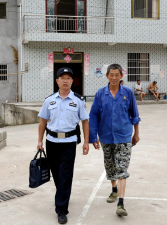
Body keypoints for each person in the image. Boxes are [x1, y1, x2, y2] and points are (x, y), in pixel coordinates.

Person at [37, 67, 90, 224]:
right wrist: (39, 141)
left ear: (72, 81)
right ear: (57, 81)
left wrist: (86, 141)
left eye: (68, 78)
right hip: (52, 142)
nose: (65, 80)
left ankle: (61, 209)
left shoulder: (78, 101)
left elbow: (85, 122)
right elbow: (42, 122)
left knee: (65, 174)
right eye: (62, 78)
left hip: (69, 143)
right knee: (57, 174)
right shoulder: (49, 100)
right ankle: (63, 194)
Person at [89, 64, 141, 217]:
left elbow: (135, 115)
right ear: (107, 76)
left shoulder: (128, 93)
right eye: (111, 75)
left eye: (116, 75)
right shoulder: (100, 94)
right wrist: (93, 137)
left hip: (124, 136)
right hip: (106, 136)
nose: (114, 78)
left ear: (121, 76)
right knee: (110, 165)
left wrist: (136, 133)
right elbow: (94, 117)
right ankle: (113, 189)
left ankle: (121, 203)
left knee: (122, 169)